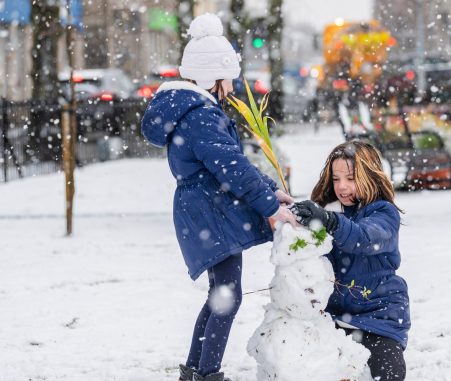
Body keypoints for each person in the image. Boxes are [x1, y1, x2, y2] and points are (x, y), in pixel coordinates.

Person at [140, 13, 297, 381]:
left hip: (207, 209)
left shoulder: (198, 111)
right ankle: (204, 373)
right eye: (228, 78)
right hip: (208, 211)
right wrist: (270, 207)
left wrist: (270, 188)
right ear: (212, 77)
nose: (232, 87)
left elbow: (234, 160)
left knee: (222, 295)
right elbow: (232, 169)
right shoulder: (200, 115)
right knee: (226, 296)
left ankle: (197, 372)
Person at [291, 141, 410, 381]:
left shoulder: (384, 213)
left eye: (351, 178)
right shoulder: (327, 211)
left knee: (387, 375)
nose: (342, 187)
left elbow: (363, 237)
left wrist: (331, 221)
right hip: (333, 320)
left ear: (369, 176)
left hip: (379, 319)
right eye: (336, 179)